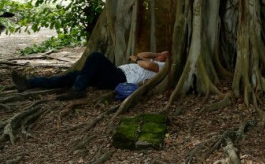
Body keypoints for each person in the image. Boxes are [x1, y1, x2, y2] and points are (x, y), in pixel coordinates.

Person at [12, 50, 169, 100]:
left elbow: (146, 63)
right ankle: (30, 83)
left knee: (95, 57)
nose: (163, 53)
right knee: (73, 75)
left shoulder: (163, 66)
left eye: (165, 53)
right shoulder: (153, 58)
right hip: (114, 75)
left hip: (121, 78)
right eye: (161, 52)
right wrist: (154, 53)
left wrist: (140, 59)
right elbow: (139, 54)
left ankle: (78, 90)